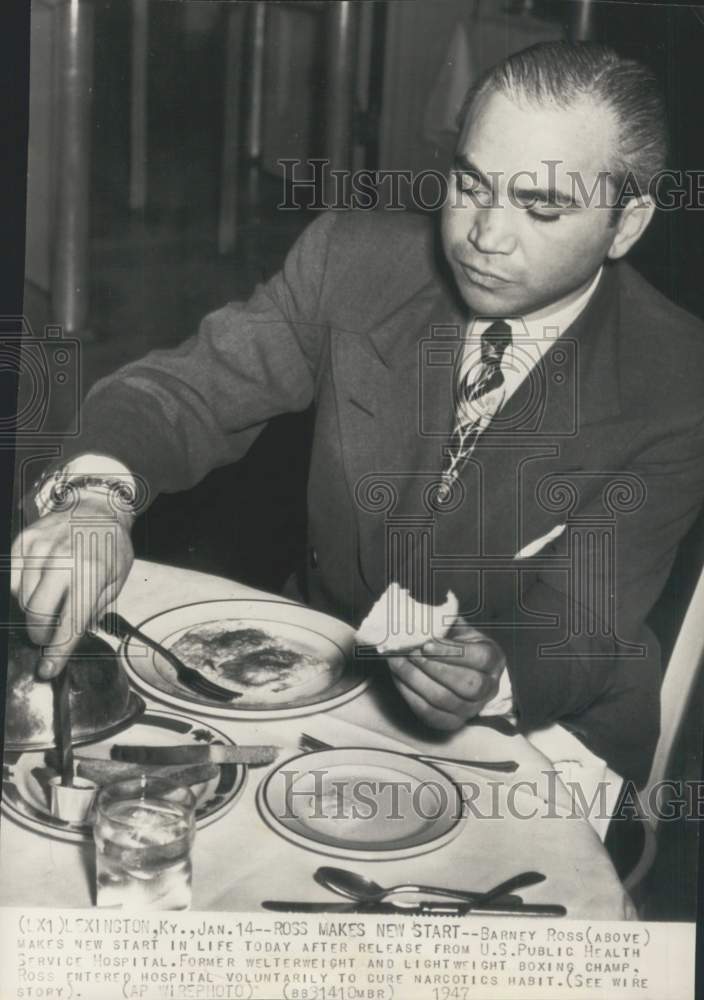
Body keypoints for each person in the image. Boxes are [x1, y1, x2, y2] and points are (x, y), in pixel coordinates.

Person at [11, 41, 704, 795]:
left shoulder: (675, 379)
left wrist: (494, 673)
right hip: (325, 675)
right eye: (471, 186)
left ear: (627, 223)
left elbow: (587, 625)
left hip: (539, 725)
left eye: (542, 208)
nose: (487, 237)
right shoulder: (352, 261)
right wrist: (94, 500)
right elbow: (186, 391)